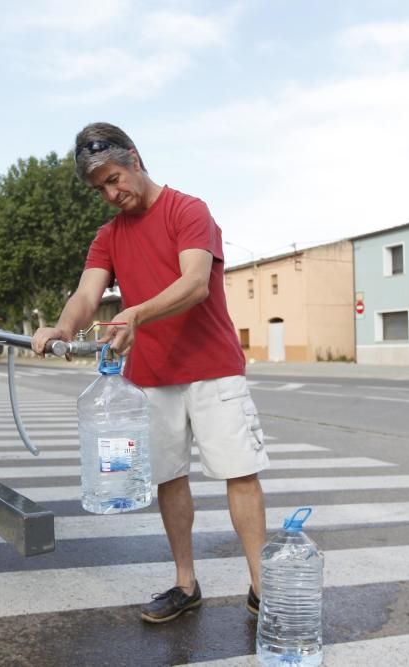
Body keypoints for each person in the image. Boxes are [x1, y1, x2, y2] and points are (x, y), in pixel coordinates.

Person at [31, 122, 270, 624]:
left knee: (239, 475)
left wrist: (136, 313)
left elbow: (195, 283)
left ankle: (261, 587)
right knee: (168, 478)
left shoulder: (188, 210)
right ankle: (186, 584)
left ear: (135, 159)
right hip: (152, 378)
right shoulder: (108, 237)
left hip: (212, 369)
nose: (111, 194)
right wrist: (60, 326)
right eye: (100, 189)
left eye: (115, 179)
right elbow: (86, 295)